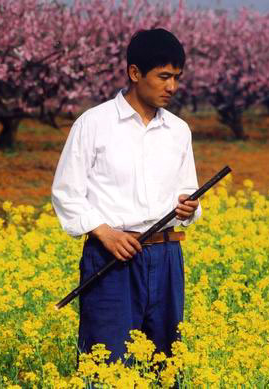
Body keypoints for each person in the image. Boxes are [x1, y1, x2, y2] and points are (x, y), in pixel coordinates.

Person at [51, 28, 201, 363]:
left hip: (167, 257)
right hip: (112, 258)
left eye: (176, 77)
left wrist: (190, 206)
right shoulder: (93, 124)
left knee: (164, 365)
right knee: (107, 363)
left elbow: (188, 193)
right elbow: (66, 193)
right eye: (163, 77)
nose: (172, 87)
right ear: (135, 73)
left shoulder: (178, 131)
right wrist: (105, 233)